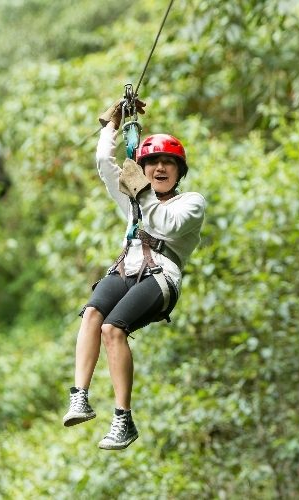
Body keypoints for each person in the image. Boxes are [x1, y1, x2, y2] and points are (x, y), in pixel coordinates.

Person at [62, 99, 206, 450]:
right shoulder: (135, 201)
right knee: (92, 314)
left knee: (113, 329)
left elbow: (166, 224)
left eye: (168, 162)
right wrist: (112, 125)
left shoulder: (191, 203)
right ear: (143, 167)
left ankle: (123, 419)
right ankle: (80, 395)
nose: (160, 168)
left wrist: (140, 190)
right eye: (152, 162)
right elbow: (104, 163)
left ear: (179, 171)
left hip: (161, 276)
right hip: (127, 267)